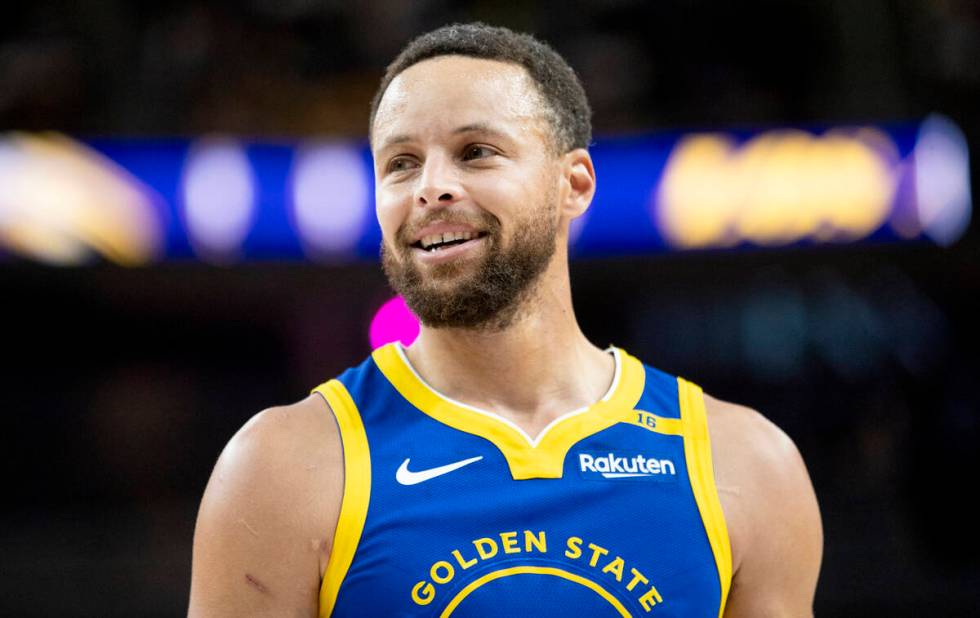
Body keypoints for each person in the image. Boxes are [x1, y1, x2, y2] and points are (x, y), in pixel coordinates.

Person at [189, 23, 822, 617]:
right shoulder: (283, 467)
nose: (429, 187)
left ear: (573, 183)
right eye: (400, 163)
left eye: (476, 152)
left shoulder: (743, 463)